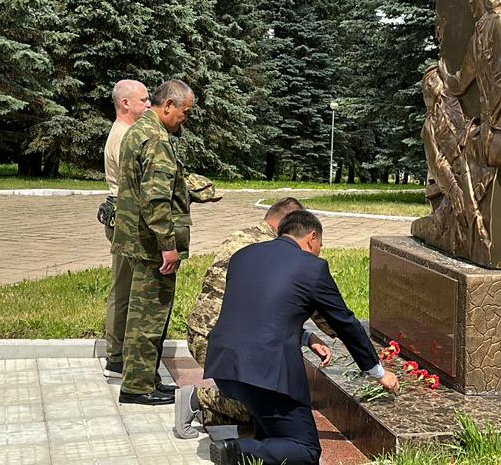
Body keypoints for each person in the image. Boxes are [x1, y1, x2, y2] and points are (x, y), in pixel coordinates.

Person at [204, 210, 399, 465]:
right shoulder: (312, 267)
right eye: (320, 244)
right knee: (305, 450)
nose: (319, 250)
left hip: (224, 362)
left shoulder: (243, 256)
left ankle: (255, 451)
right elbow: (345, 323)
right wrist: (378, 372)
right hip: (265, 371)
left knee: (275, 433)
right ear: (312, 237)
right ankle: (238, 451)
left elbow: (260, 312)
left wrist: (306, 337)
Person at [174, 196, 338, 437]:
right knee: (273, 406)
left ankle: (209, 413)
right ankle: (199, 399)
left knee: (267, 406)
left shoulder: (241, 237)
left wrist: (305, 336)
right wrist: (344, 331)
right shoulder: (277, 252)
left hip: (203, 330)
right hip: (223, 339)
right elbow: (313, 302)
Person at [111, 79, 198, 406]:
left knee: (141, 314)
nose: (184, 120)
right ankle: (137, 387)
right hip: (151, 246)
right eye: (184, 113)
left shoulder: (137, 131)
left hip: (138, 240)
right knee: (149, 317)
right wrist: (168, 245)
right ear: (168, 106)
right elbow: (155, 198)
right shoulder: (157, 139)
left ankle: (143, 379)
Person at [101, 79, 151, 376]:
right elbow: (136, 183)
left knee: (126, 287)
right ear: (125, 104)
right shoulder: (124, 135)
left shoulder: (127, 132)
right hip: (126, 219)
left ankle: (119, 353)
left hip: (125, 216)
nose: (148, 105)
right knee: (124, 289)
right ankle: (117, 356)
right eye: (143, 100)